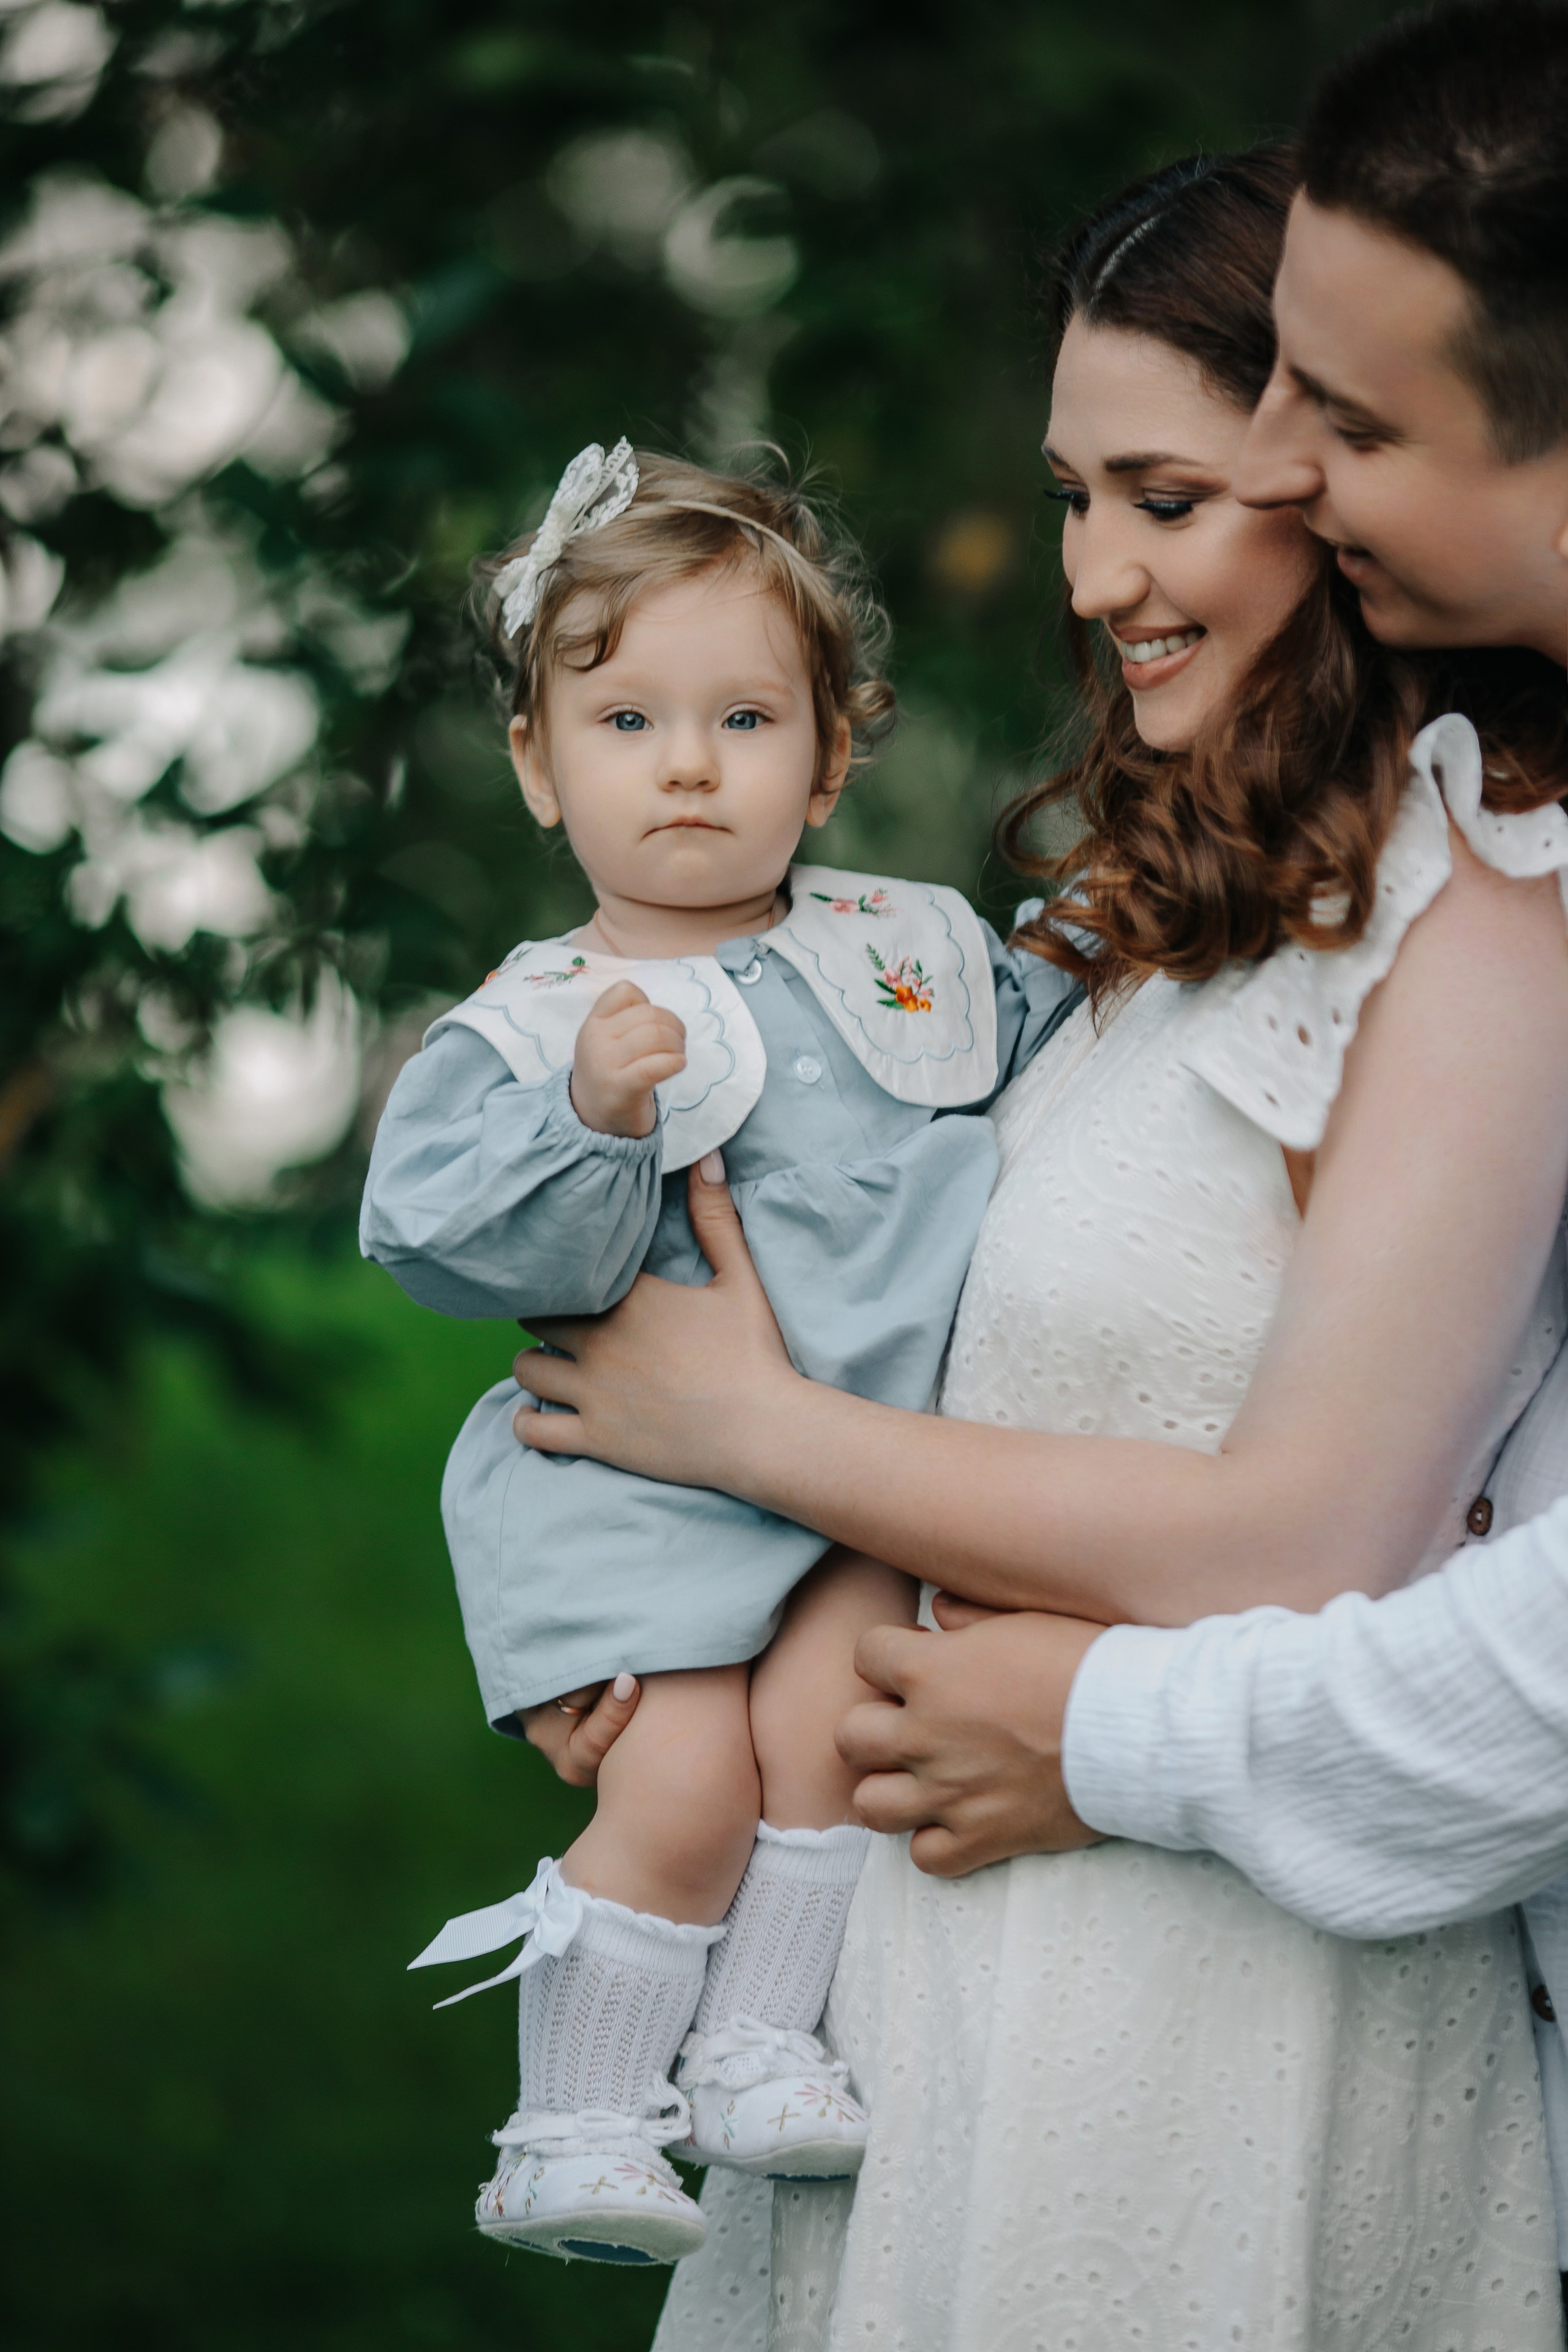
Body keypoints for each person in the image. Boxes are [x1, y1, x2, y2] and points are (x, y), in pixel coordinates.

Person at [511, 146, 1568, 2343]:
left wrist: (753, 1432)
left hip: (1224, 2005)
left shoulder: (1482, 917)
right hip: (928, 1983)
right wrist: (656, 1617)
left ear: (1336, 473)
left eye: (1163, 498)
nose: (1095, 572)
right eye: (1073, 497)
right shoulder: (1136, 936)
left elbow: (1313, 1532)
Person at [358, 445, 1079, 2264]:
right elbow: (440, 1241)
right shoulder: (534, 1026)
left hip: (853, 1481)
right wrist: (597, 1122)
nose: (688, 761)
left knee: (836, 1729)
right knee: (682, 1787)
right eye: (624, 719)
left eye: (746, 715)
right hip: (640, 1486)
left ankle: (763, 2045)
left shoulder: (912, 949)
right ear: (539, 763)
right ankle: (576, 2124)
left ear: (830, 754)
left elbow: (1070, 1029)